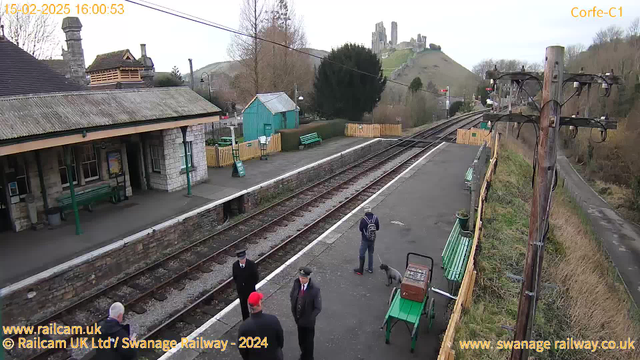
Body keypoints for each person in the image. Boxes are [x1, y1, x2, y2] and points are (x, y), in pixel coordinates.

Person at [237, 292, 284, 360]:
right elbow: (280, 341)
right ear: (259, 304)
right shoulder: (273, 320)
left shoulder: (244, 327)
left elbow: (243, 349)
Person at [289, 267, 321, 360]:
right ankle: (303, 355)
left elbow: (318, 308)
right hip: (298, 320)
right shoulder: (296, 284)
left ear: (308, 278)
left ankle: (309, 357)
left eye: (303, 278)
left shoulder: (314, 289)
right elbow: (292, 295)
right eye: (300, 277)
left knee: (309, 343)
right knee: (301, 340)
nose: (301, 280)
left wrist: (309, 319)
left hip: (308, 323)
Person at [232, 249, 259, 321]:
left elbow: (256, 277)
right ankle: (246, 320)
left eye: (243, 258)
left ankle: (256, 318)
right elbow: (235, 277)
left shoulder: (251, 264)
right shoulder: (235, 265)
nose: (242, 260)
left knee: (253, 304)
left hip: (250, 289)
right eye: (241, 259)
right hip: (241, 290)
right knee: (243, 306)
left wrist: (251, 285)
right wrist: (239, 285)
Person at [354, 204, 380, 275]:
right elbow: (377, 228)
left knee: (362, 254)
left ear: (365, 211)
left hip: (365, 239)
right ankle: (370, 269)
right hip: (372, 239)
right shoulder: (375, 218)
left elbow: (360, 229)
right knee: (370, 253)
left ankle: (360, 270)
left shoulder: (364, 219)